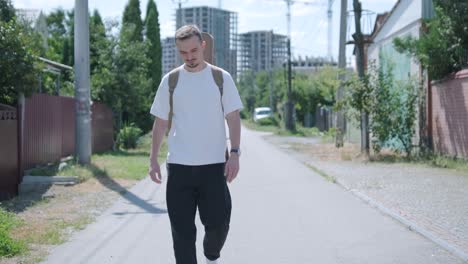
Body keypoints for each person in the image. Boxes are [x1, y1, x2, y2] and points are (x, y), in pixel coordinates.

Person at [148, 24, 243, 264]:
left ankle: (211, 254)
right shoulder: (171, 81)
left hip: (213, 166)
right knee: (182, 232)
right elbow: (160, 124)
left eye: (193, 51)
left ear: (203, 46)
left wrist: (234, 154)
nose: (189, 57)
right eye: (183, 53)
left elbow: (233, 117)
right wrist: (153, 161)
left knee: (219, 222)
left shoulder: (221, 78)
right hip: (179, 167)